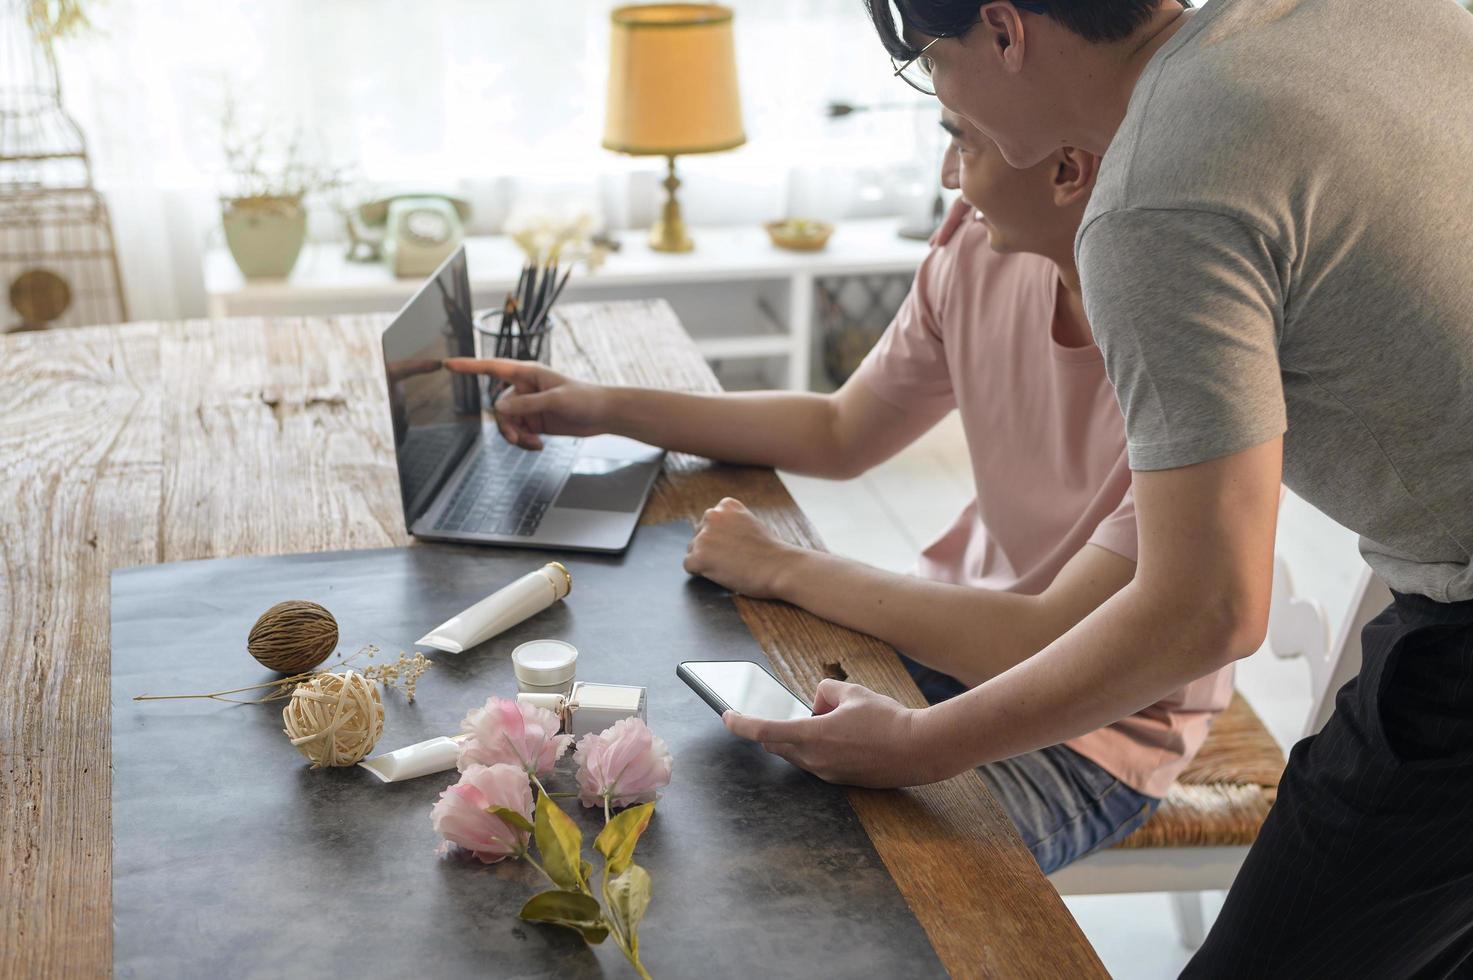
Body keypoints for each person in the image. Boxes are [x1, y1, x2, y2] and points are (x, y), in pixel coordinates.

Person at [837, 0, 1472, 974]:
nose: (942, 105)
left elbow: (1206, 610)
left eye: (934, 63)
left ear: (1005, 31)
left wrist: (919, 745)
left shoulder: (1152, 201)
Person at [446, 109, 1234, 874]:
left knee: (832, 878)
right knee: (706, 785)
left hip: (1089, 733)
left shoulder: (1194, 356)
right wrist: (601, 406)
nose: (948, 176)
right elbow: (839, 430)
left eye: (964, 142)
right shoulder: (978, 250)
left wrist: (782, 565)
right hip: (941, 643)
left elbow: (1040, 644)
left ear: (1067, 170)